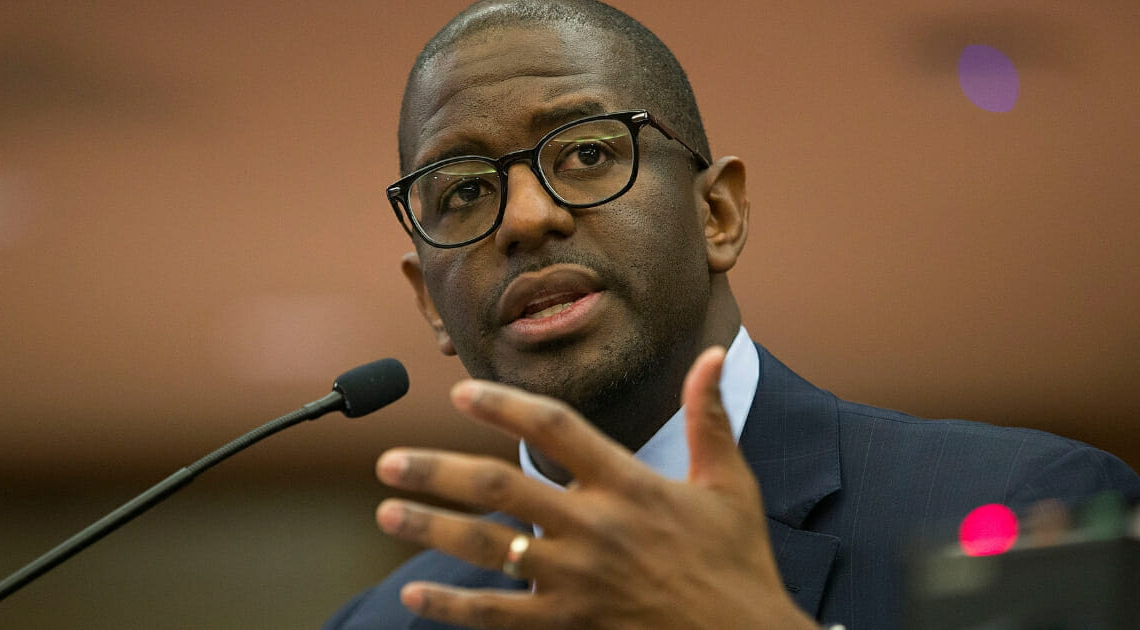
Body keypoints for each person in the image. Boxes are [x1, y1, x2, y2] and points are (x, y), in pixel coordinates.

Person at [324, 1, 1140, 628]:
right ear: (429, 300)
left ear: (718, 214)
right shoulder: (385, 623)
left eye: (586, 153)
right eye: (465, 191)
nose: (525, 218)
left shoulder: (1023, 507)